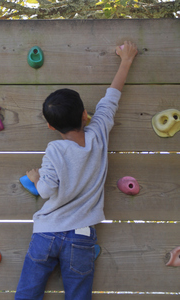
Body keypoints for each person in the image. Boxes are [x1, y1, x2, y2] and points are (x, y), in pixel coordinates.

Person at [15, 41, 138, 300]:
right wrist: (126, 60)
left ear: (51, 127)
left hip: (46, 234)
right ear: (85, 115)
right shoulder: (100, 134)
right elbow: (111, 99)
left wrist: (36, 179)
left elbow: (47, 191)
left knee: (27, 294)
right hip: (81, 236)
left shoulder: (55, 150)